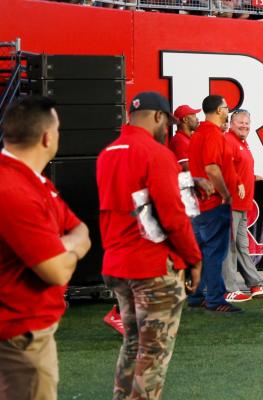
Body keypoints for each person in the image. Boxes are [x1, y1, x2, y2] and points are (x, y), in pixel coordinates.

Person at [97, 92, 202, 400]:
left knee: (133, 344)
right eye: (166, 122)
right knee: (153, 352)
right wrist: (194, 260)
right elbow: (172, 216)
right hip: (152, 266)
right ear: (159, 117)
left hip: (118, 264)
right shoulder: (156, 154)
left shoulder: (109, 152)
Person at [0, 96, 90, 400]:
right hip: (19, 336)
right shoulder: (14, 189)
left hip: (25, 332)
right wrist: (71, 248)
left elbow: (82, 229)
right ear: (47, 137)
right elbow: (55, 271)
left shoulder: (32, 182)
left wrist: (61, 247)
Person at [187, 95, 241, 313]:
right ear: (219, 110)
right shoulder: (212, 134)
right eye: (226, 108)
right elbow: (211, 168)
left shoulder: (198, 133)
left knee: (201, 250)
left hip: (199, 202)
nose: (228, 112)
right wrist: (225, 193)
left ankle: (197, 294)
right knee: (214, 252)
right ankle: (215, 298)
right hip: (212, 202)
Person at [223, 109, 263, 302]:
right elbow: (226, 169)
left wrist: (251, 177)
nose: (244, 126)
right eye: (240, 122)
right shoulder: (228, 141)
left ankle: (255, 283)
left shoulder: (242, 143)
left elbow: (239, 168)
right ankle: (229, 288)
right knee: (230, 247)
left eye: (247, 123)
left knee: (241, 246)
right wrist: (238, 183)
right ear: (231, 123)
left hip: (242, 204)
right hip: (231, 204)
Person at [170, 104, 200, 170]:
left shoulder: (188, 139)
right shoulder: (179, 140)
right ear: (185, 119)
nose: (197, 119)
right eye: (194, 116)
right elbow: (186, 168)